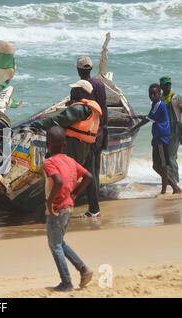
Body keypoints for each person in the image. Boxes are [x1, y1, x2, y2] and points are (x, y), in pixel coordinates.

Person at [43, 126, 93, 292]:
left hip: (57, 208)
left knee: (55, 246)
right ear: (64, 145)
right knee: (59, 242)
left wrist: (50, 204)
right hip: (69, 206)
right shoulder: (70, 160)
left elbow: (57, 181)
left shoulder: (49, 162)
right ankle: (83, 269)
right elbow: (88, 177)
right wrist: (76, 193)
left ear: (47, 145)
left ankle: (66, 282)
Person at [29, 80, 103, 167]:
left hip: (74, 146)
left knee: (62, 166)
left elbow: (58, 121)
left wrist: (39, 124)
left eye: (74, 89)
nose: (72, 91)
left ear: (80, 92)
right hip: (83, 146)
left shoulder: (78, 109)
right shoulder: (91, 108)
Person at [130, 83, 181, 194]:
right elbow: (151, 117)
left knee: (163, 166)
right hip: (157, 139)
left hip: (162, 139)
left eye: (154, 93)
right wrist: (138, 116)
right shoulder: (155, 104)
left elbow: (148, 119)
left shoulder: (159, 104)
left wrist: (133, 128)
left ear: (159, 93)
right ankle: (174, 187)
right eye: (150, 93)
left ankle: (168, 189)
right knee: (156, 166)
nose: (152, 95)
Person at [76, 56, 108, 217]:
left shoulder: (82, 87)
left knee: (89, 173)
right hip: (100, 132)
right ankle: (95, 207)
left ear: (79, 70)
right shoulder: (99, 84)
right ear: (90, 69)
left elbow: (79, 112)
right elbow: (104, 108)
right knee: (95, 171)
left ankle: (94, 209)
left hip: (89, 134)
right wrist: (106, 130)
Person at [160, 76, 182, 184]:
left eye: (169, 84)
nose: (168, 86)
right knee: (166, 156)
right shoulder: (160, 99)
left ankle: (175, 181)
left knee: (171, 156)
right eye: (166, 84)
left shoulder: (176, 98)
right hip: (164, 131)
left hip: (175, 130)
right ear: (161, 86)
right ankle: (170, 180)